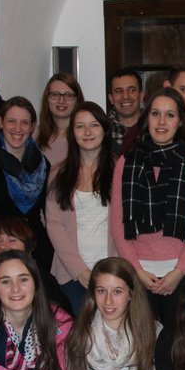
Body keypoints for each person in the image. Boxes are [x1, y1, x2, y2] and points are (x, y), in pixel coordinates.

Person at [109, 87, 185, 324]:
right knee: (143, 343)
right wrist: (136, 270)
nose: (161, 121)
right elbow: (117, 224)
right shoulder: (126, 161)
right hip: (138, 273)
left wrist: (179, 271)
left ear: (180, 122)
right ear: (147, 119)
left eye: (170, 115)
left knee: (178, 343)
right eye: (155, 114)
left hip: (180, 273)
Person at [0, 96, 53, 293]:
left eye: (24, 122)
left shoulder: (43, 165)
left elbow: (45, 214)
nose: (17, 128)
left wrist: (28, 247)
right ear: (0, 122)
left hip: (34, 255)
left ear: (32, 127)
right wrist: (7, 245)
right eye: (11, 121)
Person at [45, 102, 117, 313]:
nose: (87, 132)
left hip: (112, 271)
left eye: (94, 125)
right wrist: (81, 272)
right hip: (71, 274)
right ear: (72, 133)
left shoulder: (119, 169)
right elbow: (54, 225)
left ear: (104, 130)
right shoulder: (58, 173)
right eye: (80, 126)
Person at [36, 73, 84, 170]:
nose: (61, 101)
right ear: (47, 99)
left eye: (68, 95)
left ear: (77, 100)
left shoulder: (87, 135)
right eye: (55, 94)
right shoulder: (35, 135)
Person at [108, 67, 143, 155]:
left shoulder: (154, 128)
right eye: (118, 91)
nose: (125, 96)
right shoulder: (101, 130)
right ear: (111, 99)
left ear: (141, 95)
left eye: (131, 90)